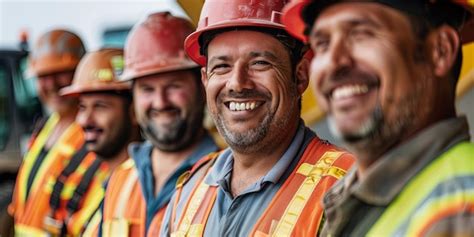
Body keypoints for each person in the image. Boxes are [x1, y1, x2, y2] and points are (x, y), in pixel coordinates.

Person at [160, 1, 355, 236]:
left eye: (260, 63)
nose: (237, 84)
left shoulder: (344, 187)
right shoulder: (189, 191)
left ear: (300, 75)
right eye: (221, 66)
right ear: (205, 80)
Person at [282, 0, 474, 235]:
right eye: (322, 44)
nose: (333, 62)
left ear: (440, 50)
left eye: (362, 34)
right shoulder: (348, 198)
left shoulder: (460, 212)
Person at [99, 12, 220, 236]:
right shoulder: (121, 179)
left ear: (203, 88)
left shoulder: (225, 180)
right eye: (147, 89)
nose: (160, 102)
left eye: (174, 86)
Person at [7, 29, 108, 236]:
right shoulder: (45, 127)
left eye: (60, 73)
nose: (52, 84)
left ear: (81, 72)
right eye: (43, 76)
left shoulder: (95, 137)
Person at [59, 48, 141, 236]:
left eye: (100, 107)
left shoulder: (145, 187)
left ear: (134, 111)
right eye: (82, 107)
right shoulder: (91, 177)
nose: (85, 120)